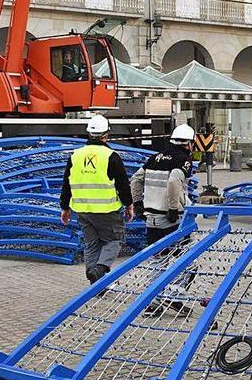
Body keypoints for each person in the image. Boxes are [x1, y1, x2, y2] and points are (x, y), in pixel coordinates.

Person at [130, 124, 196, 317]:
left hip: (152, 219)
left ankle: (153, 303)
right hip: (172, 220)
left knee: (157, 261)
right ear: (189, 143)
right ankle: (173, 296)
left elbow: (135, 180)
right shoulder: (183, 160)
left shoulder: (154, 158)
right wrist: (174, 208)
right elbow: (174, 181)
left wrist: (139, 204)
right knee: (187, 260)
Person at [60, 115, 135, 285]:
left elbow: (66, 183)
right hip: (107, 211)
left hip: (82, 210)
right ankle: (100, 269)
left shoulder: (75, 155)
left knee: (91, 244)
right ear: (106, 134)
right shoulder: (111, 156)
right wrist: (129, 205)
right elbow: (123, 184)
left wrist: (65, 208)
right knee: (115, 240)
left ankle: (95, 282)